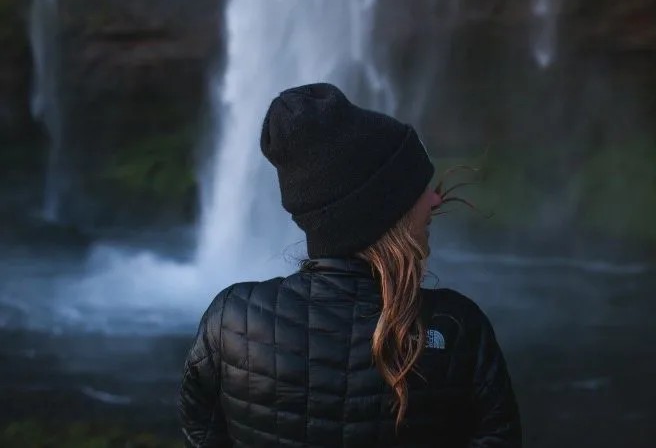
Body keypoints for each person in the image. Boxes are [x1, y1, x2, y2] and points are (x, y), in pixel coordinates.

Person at [179, 83, 522, 447]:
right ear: (381, 208)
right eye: (418, 186)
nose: (435, 199)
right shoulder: (456, 329)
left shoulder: (230, 321)